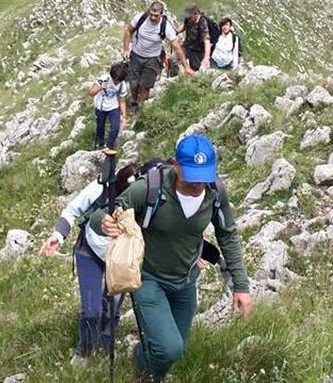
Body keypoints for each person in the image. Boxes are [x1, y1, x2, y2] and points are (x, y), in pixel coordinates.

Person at [91, 135, 253, 382]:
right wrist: (103, 222)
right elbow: (102, 212)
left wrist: (240, 286)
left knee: (173, 348)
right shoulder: (149, 188)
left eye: (204, 175)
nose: (199, 183)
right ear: (175, 165)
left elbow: (228, 236)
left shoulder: (215, 193)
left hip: (185, 281)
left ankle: (148, 367)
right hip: (148, 278)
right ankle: (144, 370)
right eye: (191, 174)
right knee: (170, 348)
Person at [39, 162, 142, 358]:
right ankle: (84, 350)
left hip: (122, 258)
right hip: (89, 250)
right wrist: (58, 236)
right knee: (91, 310)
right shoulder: (100, 187)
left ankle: (104, 349)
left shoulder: (145, 200)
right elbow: (71, 211)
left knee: (111, 308)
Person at [123, 1, 189, 111]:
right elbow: (129, 30)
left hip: (152, 60)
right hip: (136, 55)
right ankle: (134, 101)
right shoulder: (140, 18)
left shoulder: (165, 26)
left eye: (156, 15)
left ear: (161, 14)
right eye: (151, 14)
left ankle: (141, 108)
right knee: (133, 84)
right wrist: (125, 49)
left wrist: (186, 66)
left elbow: (176, 47)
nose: (153, 18)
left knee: (145, 86)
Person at [89, 61, 129, 150]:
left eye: (119, 81)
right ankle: (100, 143)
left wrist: (124, 116)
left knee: (115, 128)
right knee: (100, 128)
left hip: (113, 107)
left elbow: (122, 100)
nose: (116, 83)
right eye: (115, 81)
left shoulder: (122, 85)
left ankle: (109, 146)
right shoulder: (104, 79)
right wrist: (100, 88)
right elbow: (91, 92)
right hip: (100, 107)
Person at [176, 5, 211, 74]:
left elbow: (206, 40)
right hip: (186, 46)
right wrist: (176, 32)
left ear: (196, 14)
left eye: (191, 15)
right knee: (173, 59)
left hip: (197, 50)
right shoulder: (188, 18)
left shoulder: (202, 22)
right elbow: (185, 26)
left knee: (195, 69)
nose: (189, 17)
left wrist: (206, 57)